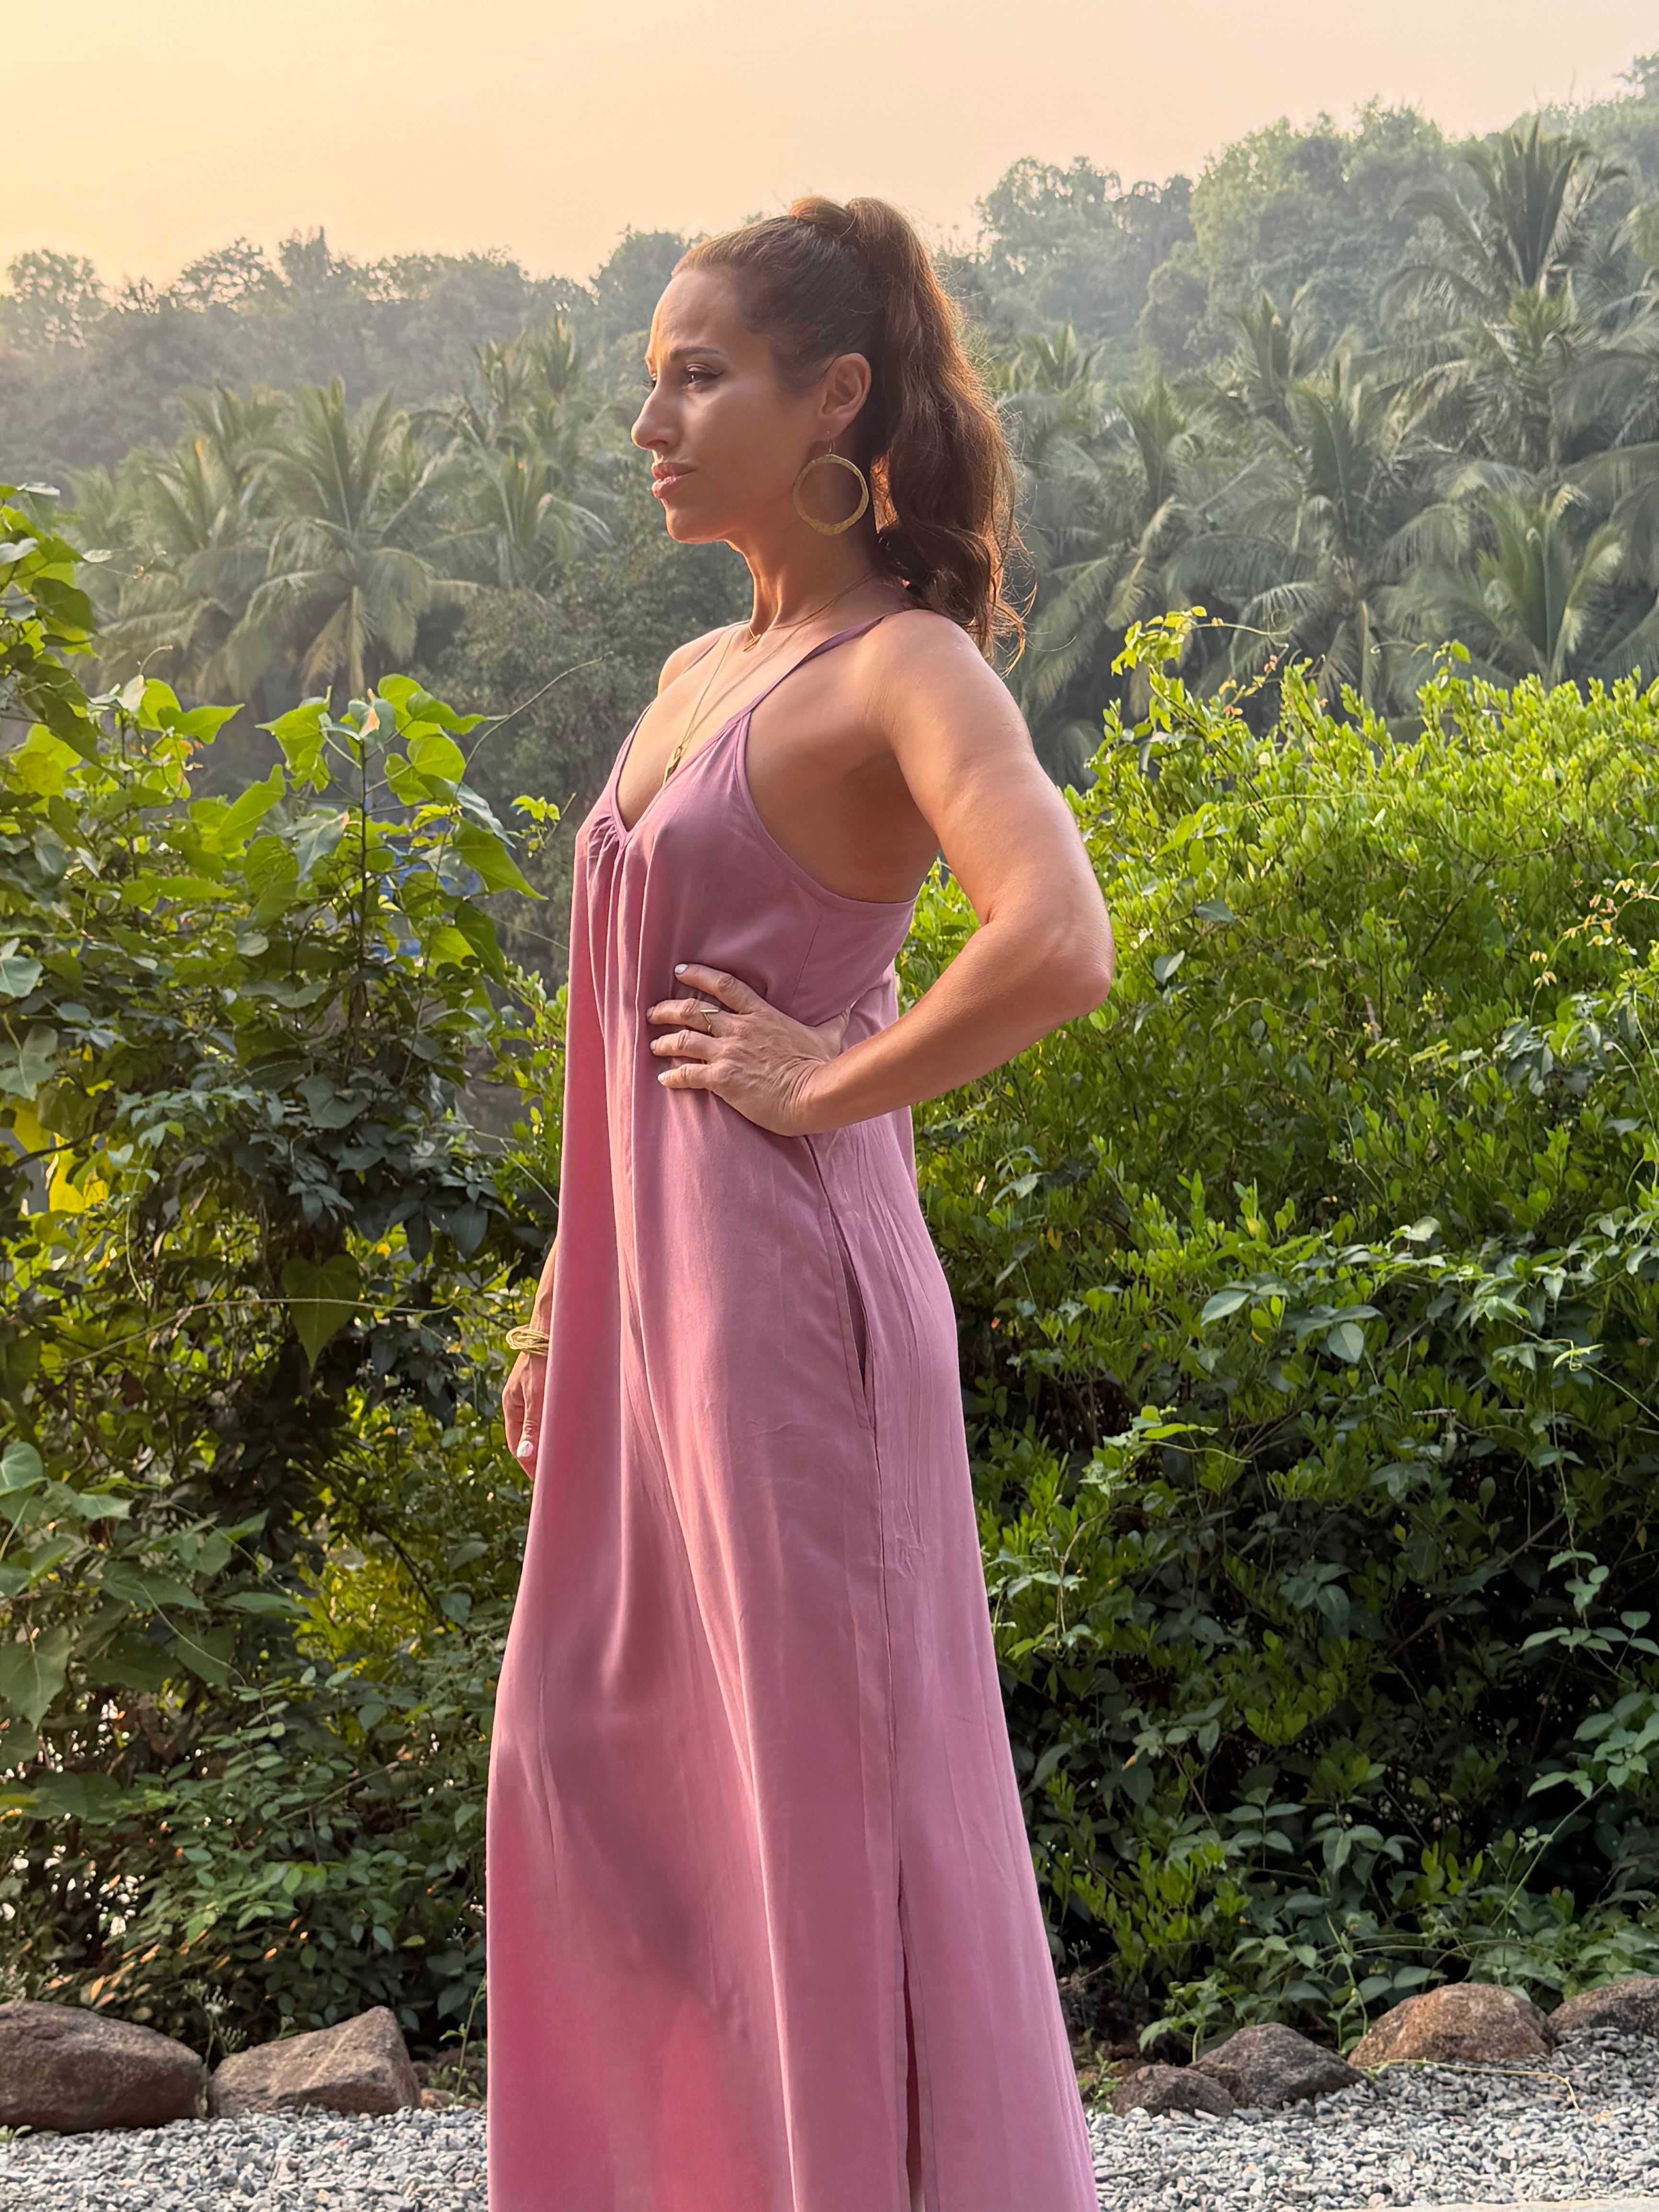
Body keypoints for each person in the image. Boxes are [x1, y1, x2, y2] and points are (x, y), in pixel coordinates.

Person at [487, 194, 1114, 2212]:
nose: (650, 420)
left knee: (818, 1813)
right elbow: (614, 1035)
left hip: (789, 1326)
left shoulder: (900, 669)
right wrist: (567, 1295)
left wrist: (824, 1082)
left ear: (832, 396)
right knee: (599, 1776)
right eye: (649, 379)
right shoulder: (699, 665)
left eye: (698, 375)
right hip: (650, 1327)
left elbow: (1058, 938)